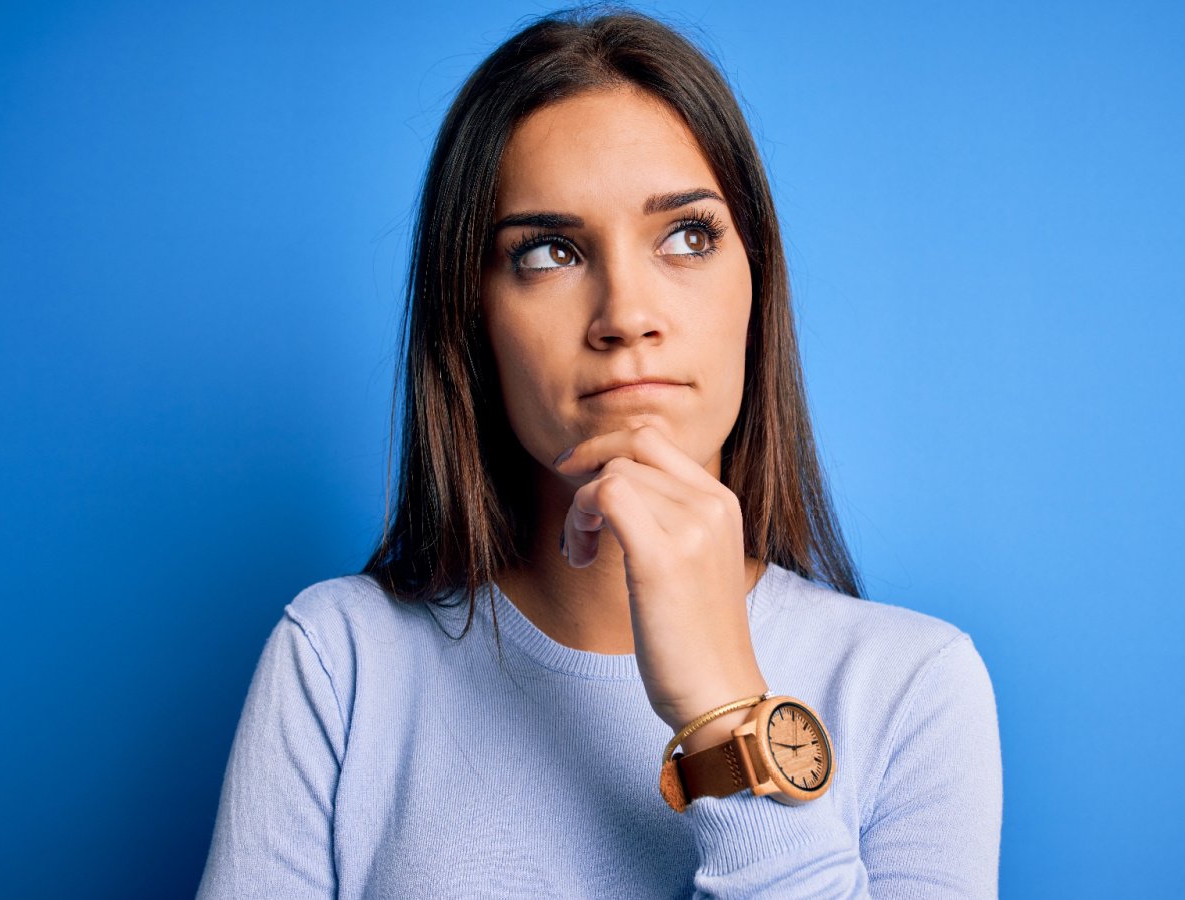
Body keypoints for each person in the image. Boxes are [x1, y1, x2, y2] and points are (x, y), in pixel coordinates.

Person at [196, 7, 1002, 898]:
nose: (626, 315)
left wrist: (724, 709)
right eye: (549, 252)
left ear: (757, 286)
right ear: (472, 319)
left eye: (688, 237)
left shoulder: (914, 687)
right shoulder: (340, 661)